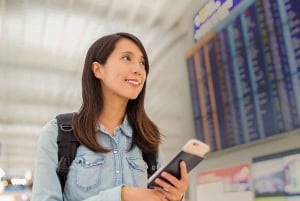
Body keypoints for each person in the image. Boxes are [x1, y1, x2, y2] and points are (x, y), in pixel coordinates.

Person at [31, 32, 189, 201]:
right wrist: (120, 196)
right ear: (98, 69)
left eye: (142, 63)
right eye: (127, 58)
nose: (138, 69)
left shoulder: (147, 138)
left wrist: (173, 197)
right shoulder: (58, 134)